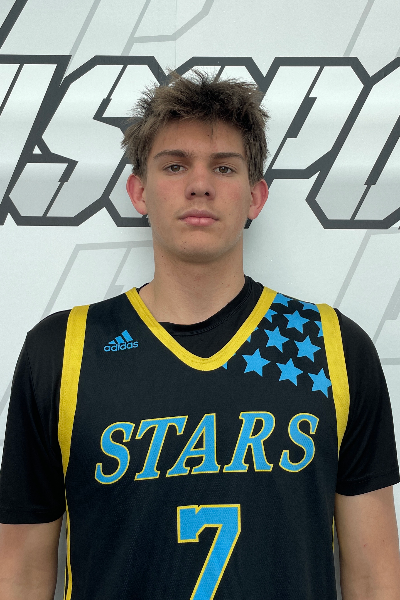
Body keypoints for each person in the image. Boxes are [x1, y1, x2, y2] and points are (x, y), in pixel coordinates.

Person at [0, 71, 399, 600]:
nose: (200, 185)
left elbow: (373, 575)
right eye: (175, 165)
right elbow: (22, 570)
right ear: (139, 191)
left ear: (255, 197)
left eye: (224, 167)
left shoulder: (330, 347)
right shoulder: (64, 349)